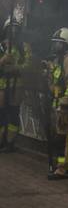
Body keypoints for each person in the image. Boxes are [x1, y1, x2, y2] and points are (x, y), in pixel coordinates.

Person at [46, 26, 68, 178]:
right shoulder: (60, 60)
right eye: (55, 43)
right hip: (58, 104)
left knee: (66, 138)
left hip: (66, 107)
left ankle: (64, 168)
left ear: (66, 44)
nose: (55, 47)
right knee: (61, 138)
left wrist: (66, 101)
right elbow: (57, 81)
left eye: (59, 43)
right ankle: (65, 166)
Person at [0, 17, 32, 152]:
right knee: (1, 113)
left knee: (13, 113)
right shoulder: (1, 46)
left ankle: (10, 142)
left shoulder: (24, 47)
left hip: (17, 85)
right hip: (2, 84)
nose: (13, 31)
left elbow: (29, 66)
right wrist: (2, 61)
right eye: (10, 29)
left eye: (16, 29)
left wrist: (15, 67)